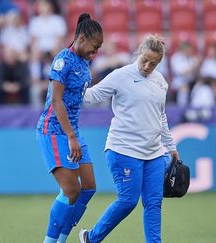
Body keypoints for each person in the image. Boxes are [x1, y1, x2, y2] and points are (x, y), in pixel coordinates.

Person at [78, 35, 180, 243]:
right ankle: (91, 238)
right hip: (123, 149)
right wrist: (70, 86)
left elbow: (161, 116)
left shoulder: (161, 82)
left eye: (154, 63)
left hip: (153, 152)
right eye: (145, 59)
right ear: (139, 52)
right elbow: (91, 96)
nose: (147, 65)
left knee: (153, 204)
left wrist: (170, 146)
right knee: (128, 201)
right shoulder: (121, 75)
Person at [36, 13, 103, 243]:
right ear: (82, 38)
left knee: (89, 188)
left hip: (72, 131)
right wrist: (71, 137)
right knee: (71, 189)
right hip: (54, 130)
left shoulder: (84, 62)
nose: (96, 53)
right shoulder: (62, 61)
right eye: (94, 47)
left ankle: (62, 239)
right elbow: (56, 101)